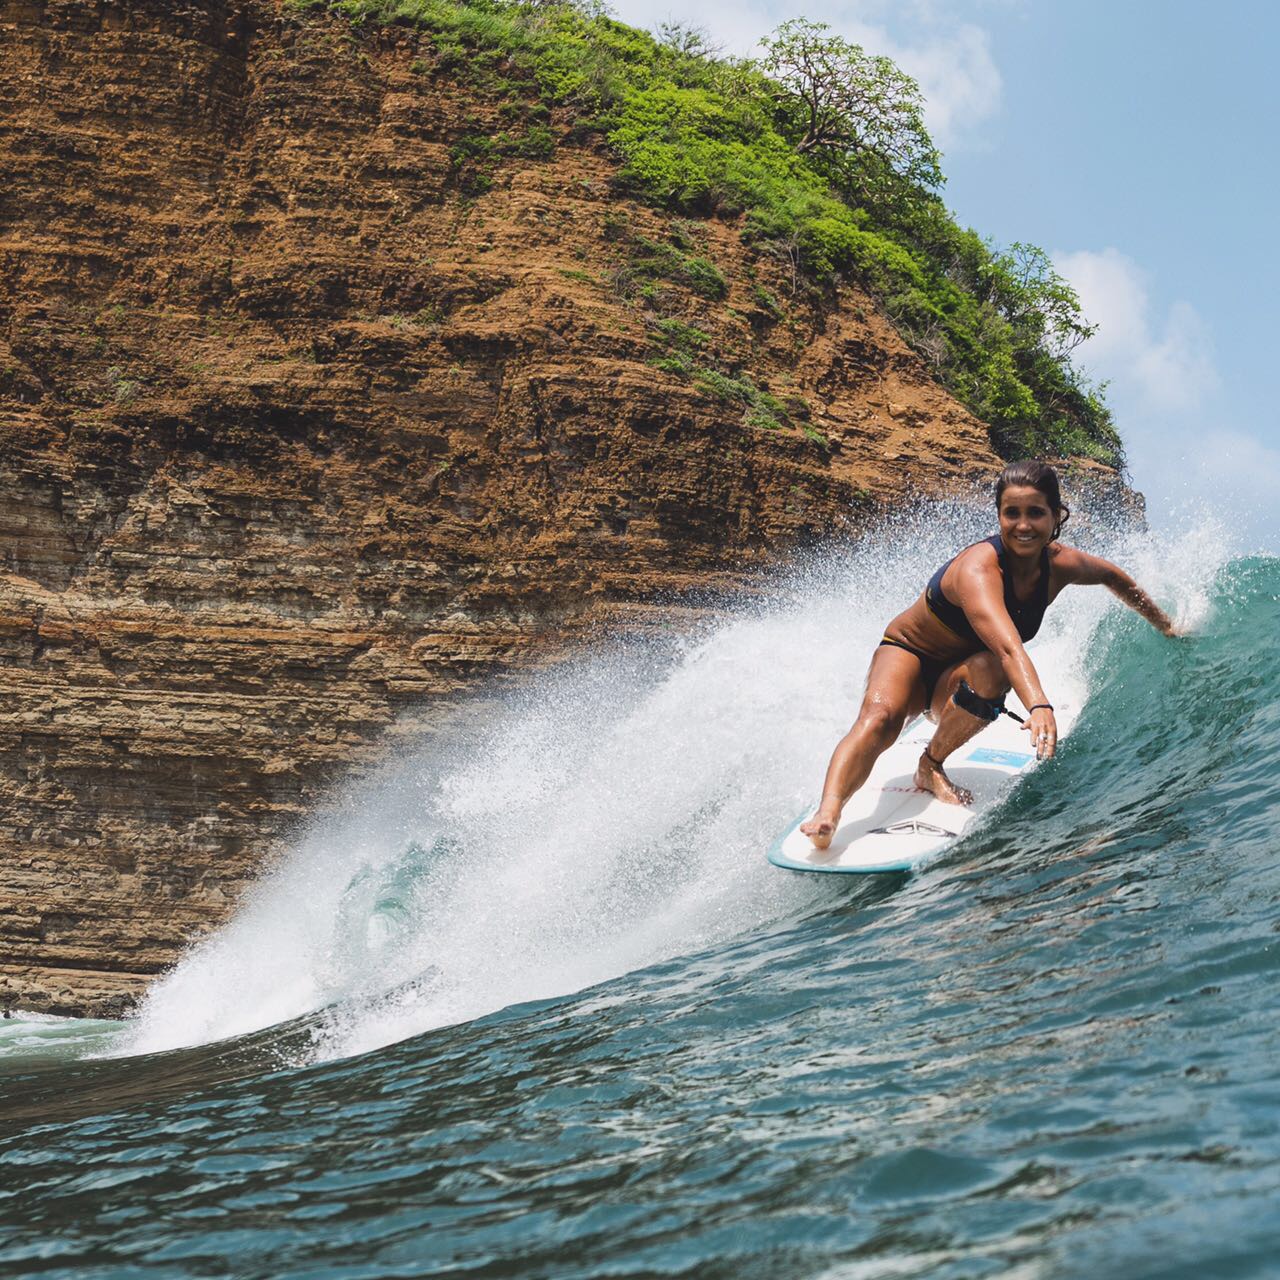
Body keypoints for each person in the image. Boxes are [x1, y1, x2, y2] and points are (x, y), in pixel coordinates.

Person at [801, 460, 1179, 850]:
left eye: (1036, 512)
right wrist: (1039, 706)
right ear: (998, 515)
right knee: (880, 717)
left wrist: (1164, 624)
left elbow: (1113, 577)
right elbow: (1007, 646)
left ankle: (930, 766)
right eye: (1011, 513)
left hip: (959, 680)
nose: (1023, 525)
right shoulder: (979, 569)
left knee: (991, 671)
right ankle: (829, 811)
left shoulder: (1061, 564)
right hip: (909, 657)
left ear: (1056, 516)